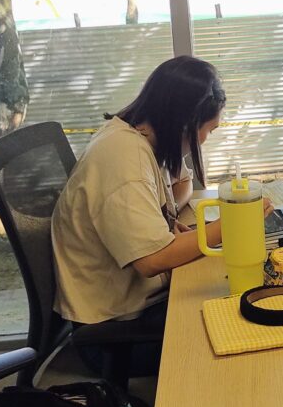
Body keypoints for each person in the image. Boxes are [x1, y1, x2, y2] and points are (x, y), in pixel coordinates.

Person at [51, 55, 271, 376]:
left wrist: (162, 216)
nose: (207, 139)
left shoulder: (142, 132)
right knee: (247, 330)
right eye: (209, 129)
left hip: (135, 307)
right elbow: (152, 260)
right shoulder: (123, 161)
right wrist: (232, 226)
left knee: (245, 301)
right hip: (115, 334)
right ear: (184, 123)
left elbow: (180, 183)